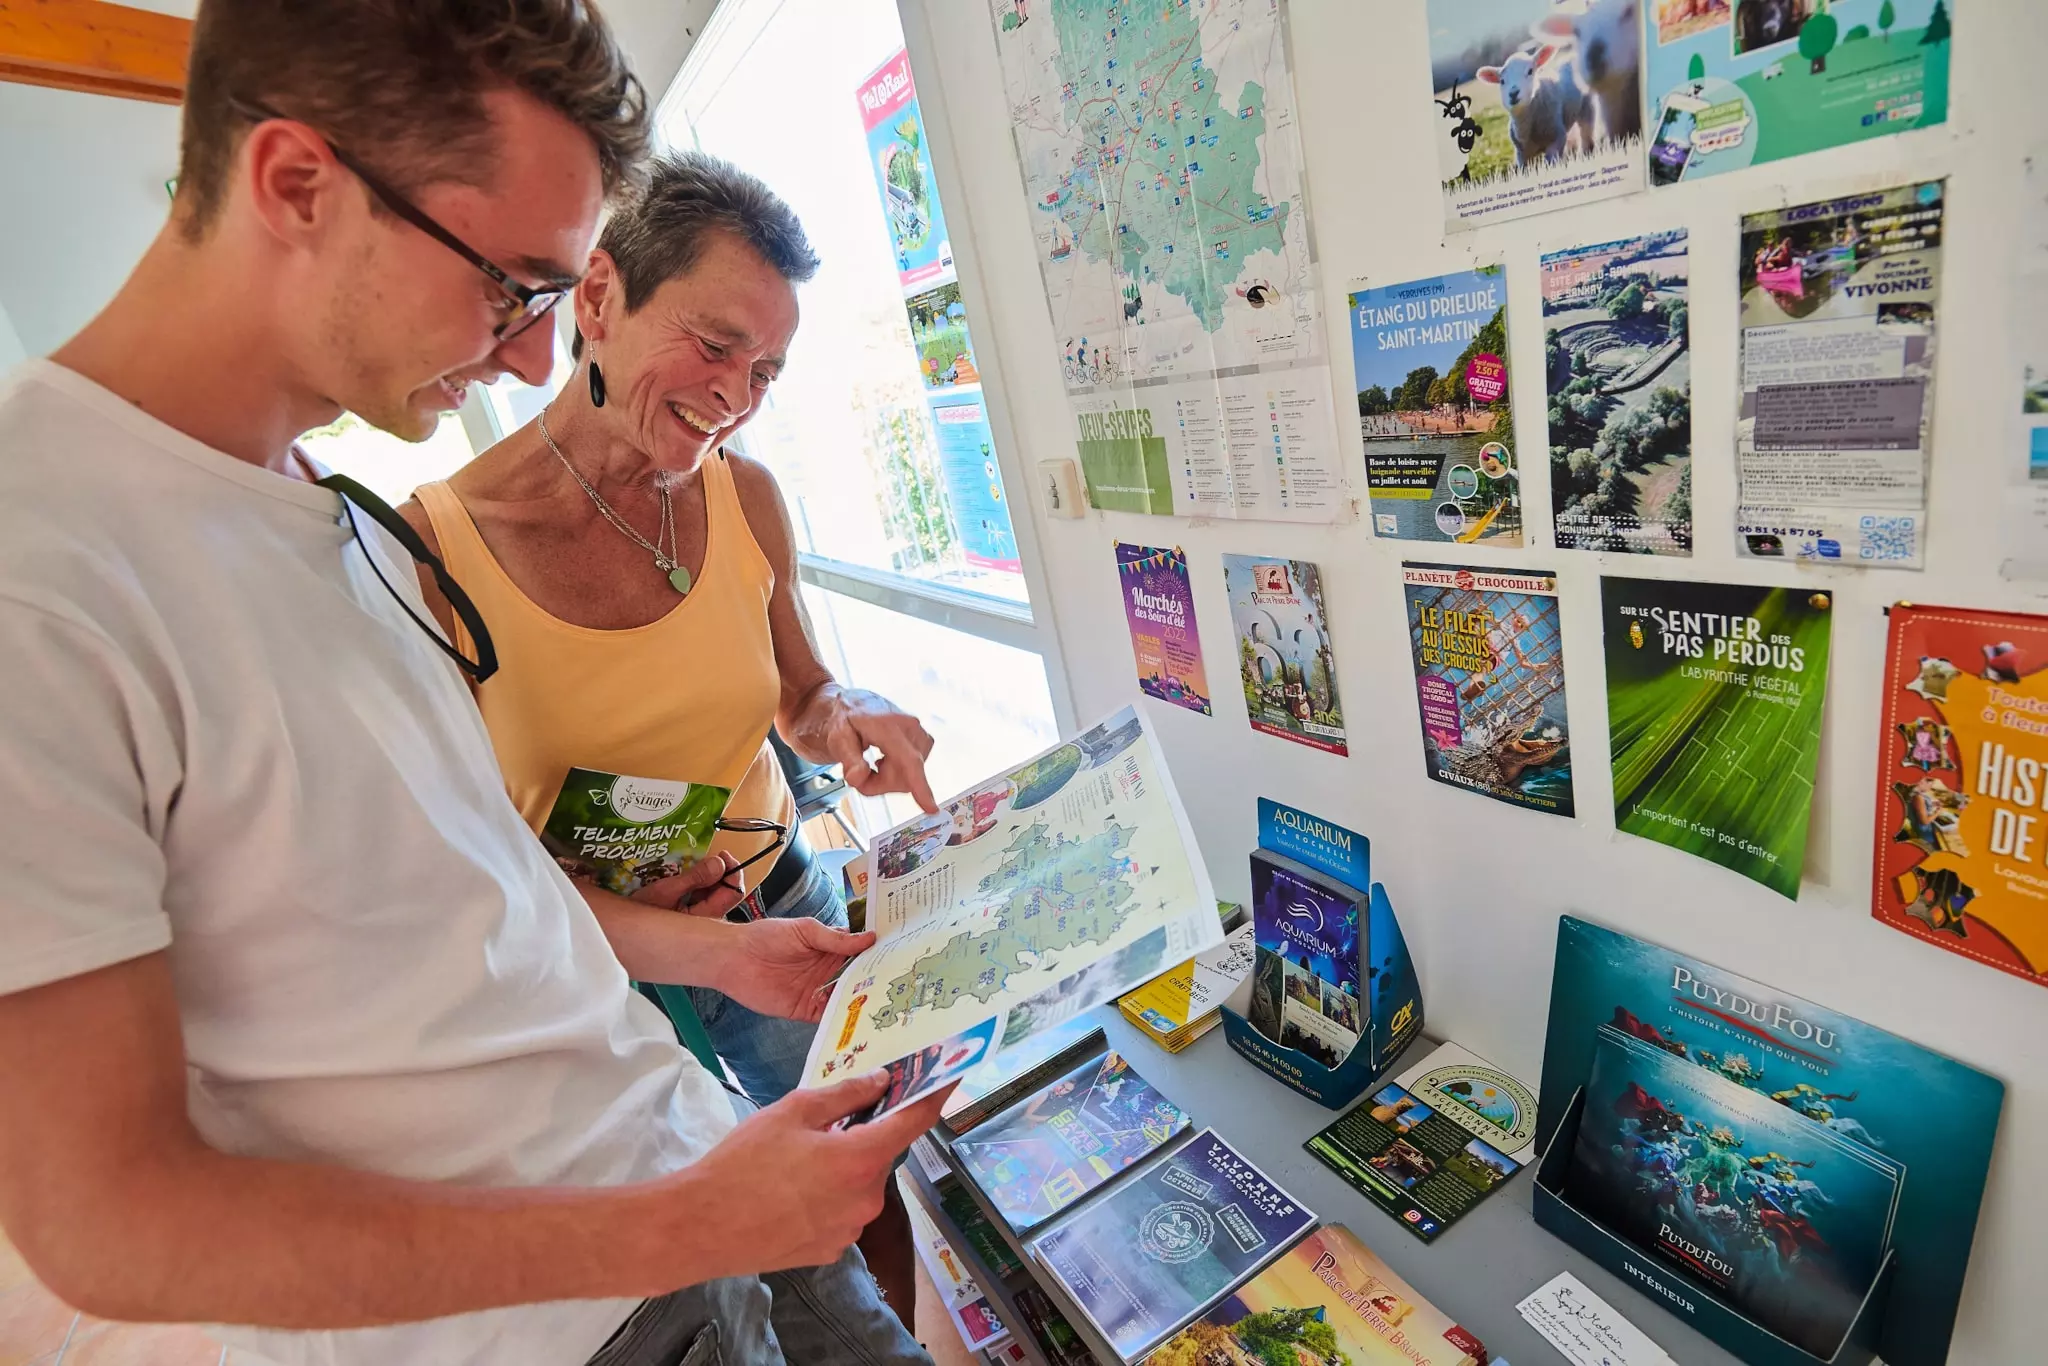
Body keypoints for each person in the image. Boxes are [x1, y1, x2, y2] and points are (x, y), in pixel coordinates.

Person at [0, 4, 945, 1365]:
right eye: (512, 287)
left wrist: (722, 960)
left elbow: (475, 889)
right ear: (297, 184)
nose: (529, 355)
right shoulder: (42, 581)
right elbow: (110, 1225)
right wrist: (678, 1224)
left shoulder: (324, 509)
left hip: (669, 1145)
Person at [396, 152, 937, 1313]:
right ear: (598, 297)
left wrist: (847, 718)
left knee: (866, 1175)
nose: (737, 394)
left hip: (780, 911)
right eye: (715, 344)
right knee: (728, 1267)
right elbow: (462, 867)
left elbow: (800, 695)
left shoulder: (745, 495)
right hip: (608, 976)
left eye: (766, 369)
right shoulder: (429, 555)